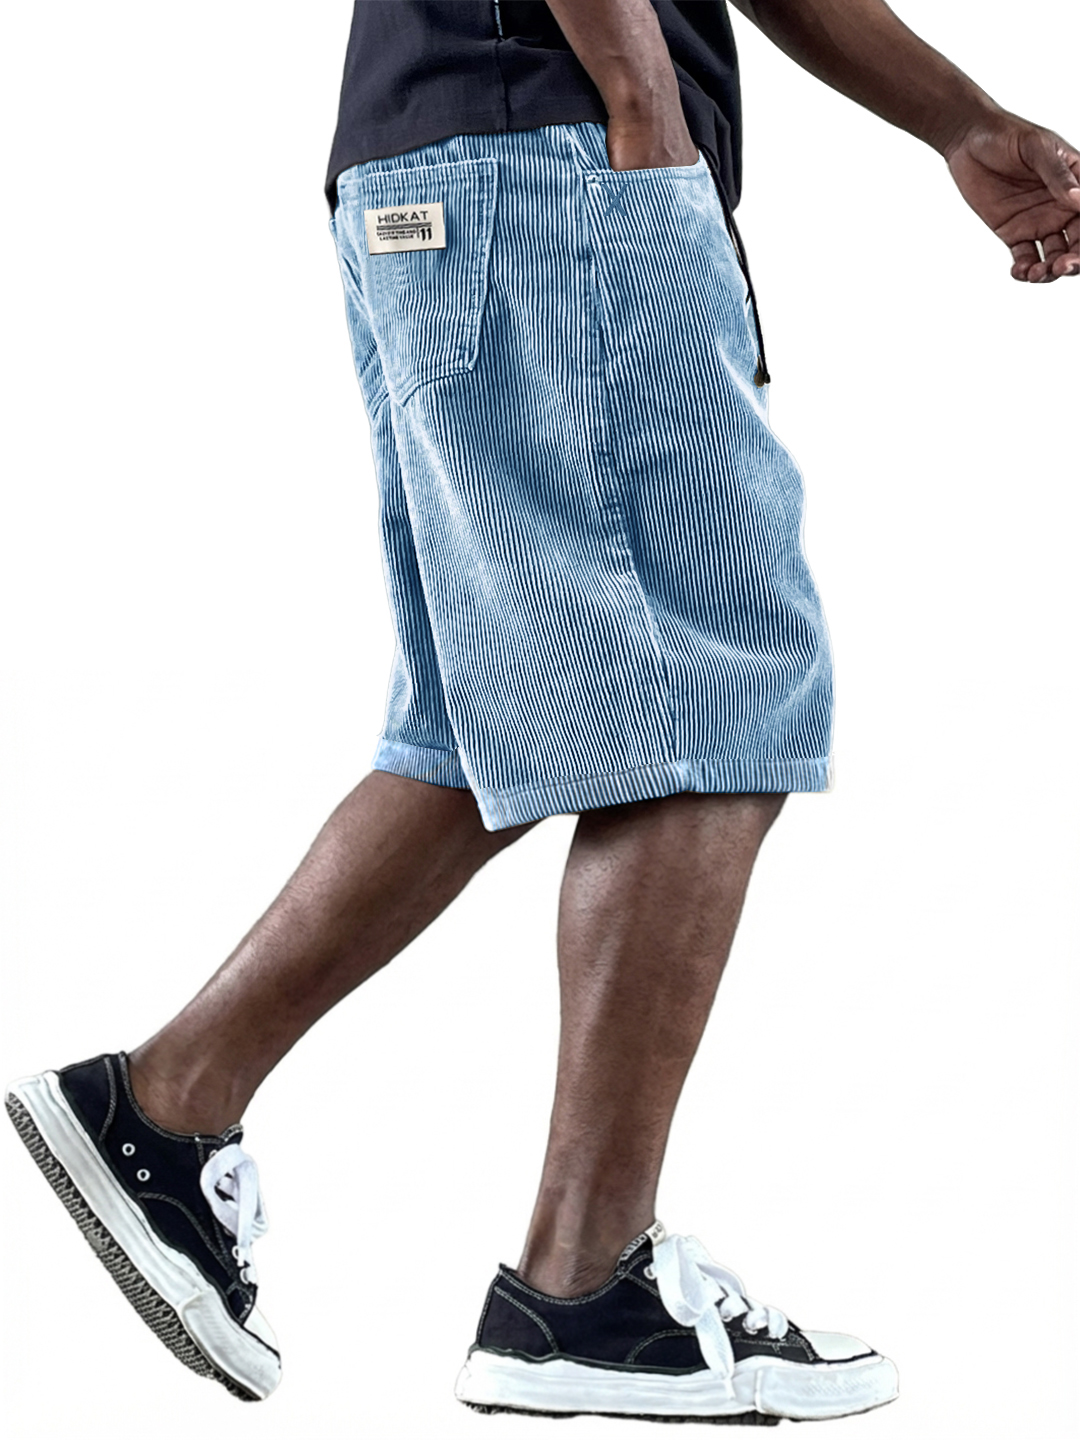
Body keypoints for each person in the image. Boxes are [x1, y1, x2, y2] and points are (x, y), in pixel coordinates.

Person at [6, 0, 1077, 1425]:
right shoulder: (605, 112)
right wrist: (641, 98)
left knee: (485, 717)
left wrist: (961, 120)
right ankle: (581, 1288)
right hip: (556, 149)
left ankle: (160, 1107)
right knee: (722, 694)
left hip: (473, 164)